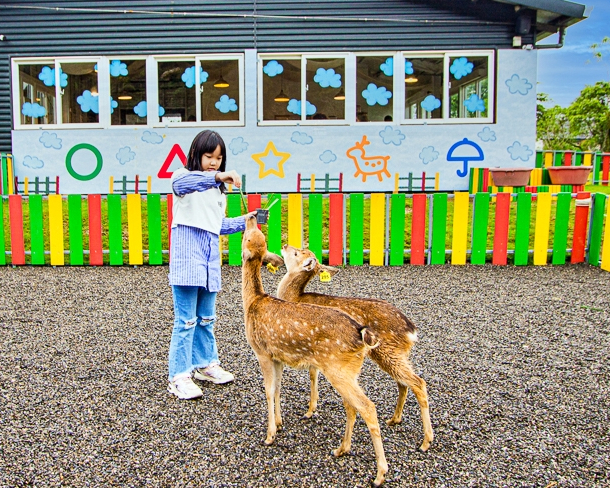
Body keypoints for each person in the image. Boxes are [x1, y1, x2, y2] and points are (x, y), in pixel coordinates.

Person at [167, 129, 255, 400]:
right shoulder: (182, 177)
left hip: (209, 262)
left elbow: (217, 226)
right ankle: (179, 375)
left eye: (219, 158)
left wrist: (246, 220)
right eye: (208, 156)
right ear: (196, 155)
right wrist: (217, 176)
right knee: (186, 321)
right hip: (187, 261)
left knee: (206, 318)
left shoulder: (219, 193)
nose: (214, 162)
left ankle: (205, 364)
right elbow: (187, 183)